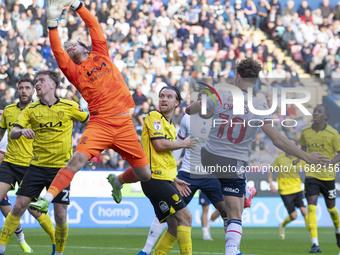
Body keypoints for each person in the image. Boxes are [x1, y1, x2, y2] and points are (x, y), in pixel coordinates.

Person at [186, 58, 329, 255]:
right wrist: (307, 157)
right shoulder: (259, 105)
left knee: (228, 209)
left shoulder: (220, 92)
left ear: (237, 76)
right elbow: (278, 140)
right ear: (255, 81)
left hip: (208, 157)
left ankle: (242, 196)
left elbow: (190, 110)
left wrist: (209, 105)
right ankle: (232, 247)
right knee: (236, 213)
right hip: (234, 162)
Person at [30, 0, 151, 212]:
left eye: (73, 44)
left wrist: (78, 5)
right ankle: (46, 199)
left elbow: (93, 25)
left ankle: (118, 181)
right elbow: (58, 50)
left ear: (85, 47)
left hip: (123, 123)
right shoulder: (74, 72)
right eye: (68, 48)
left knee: (145, 175)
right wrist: (52, 23)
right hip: (100, 123)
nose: (69, 47)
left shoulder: (101, 53)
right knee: (77, 159)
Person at [0, 70, 89, 255]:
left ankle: (59, 252)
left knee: (60, 215)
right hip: (36, 166)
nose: (37, 84)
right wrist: (22, 132)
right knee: (18, 206)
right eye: (36, 81)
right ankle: (1, 248)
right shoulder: (31, 110)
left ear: (52, 85)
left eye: (41, 80)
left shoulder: (69, 106)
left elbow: (92, 121)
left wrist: (88, 145)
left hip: (61, 169)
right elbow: (14, 131)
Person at [0, 78, 60, 254]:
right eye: (21, 88)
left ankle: (55, 237)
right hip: (10, 163)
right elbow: (2, 130)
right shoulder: (9, 111)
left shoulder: (39, 110)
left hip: (30, 166)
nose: (24, 91)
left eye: (27, 88)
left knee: (33, 209)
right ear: (17, 91)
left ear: (33, 91)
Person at [138, 86, 194, 255]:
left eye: (169, 97)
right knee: (186, 217)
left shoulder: (170, 125)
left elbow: (163, 157)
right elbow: (159, 145)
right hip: (154, 179)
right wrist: (184, 143)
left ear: (177, 102)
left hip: (163, 178)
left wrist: (174, 179)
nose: (164, 99)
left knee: (175, 225)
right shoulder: (154, 117)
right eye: (162, 96)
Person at [299, 105, 340, 253]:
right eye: (314, 111)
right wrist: (299, 158)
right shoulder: (305, 132)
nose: (315, 113)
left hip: (328, 176)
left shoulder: (333, 133)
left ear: (325, 116)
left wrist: (331, 162)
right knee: (311, 206)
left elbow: (339, 153)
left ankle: (338, 230)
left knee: (332, 209)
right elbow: (303, 148)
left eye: (319, 111)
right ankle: (315, 243)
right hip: (311, 175)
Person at [0, 103, 34, 254]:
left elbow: (1, 157)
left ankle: (22, 240)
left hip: (9, 170)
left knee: (9, 213)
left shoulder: (5, 137)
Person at [268, 148, 308, 240]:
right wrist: (271, 184)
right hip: (285, 191)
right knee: (293, 216)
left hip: (297, 188)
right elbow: (271, 170)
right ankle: (282, 225)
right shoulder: (279, 159)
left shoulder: (298, 158)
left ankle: (312, 236)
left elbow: (307, 168)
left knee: (304, 211)